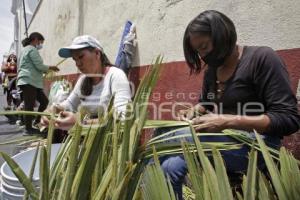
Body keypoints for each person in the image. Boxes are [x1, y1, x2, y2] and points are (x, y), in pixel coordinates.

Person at [157, 10, 300, 199]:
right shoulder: (212, 72)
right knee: (169, 167)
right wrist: (194, 111)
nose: (202, 56)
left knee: (170, 137)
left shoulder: (262, 58)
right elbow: (206, 102)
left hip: (259, 145)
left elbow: (289, 119)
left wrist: (227, 121)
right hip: (222, 139)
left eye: (205, 47)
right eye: (198, 51)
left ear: (223, 36)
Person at [41, 35, 131, 131]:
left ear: (97, 53)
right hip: (86, 141)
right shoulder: (83, 80)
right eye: (75, 59)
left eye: (81, 57)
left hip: (111, 141)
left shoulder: (116, 76)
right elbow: (69, 104)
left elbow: (123, 117)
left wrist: (80, 122)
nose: (78, 64)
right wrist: (53, 109)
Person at [17, 32, 59, 135]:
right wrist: (50, 68)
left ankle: (36, 122)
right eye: (40, 42)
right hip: (29, 80)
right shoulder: (32, 49)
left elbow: (32, 66)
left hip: (32, 81)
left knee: (44, 101)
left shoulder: (25, 50)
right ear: (35, 39)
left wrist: (45, 70)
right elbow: (39, 66)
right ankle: (28, 129)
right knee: (29, 105)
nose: (40, 44)